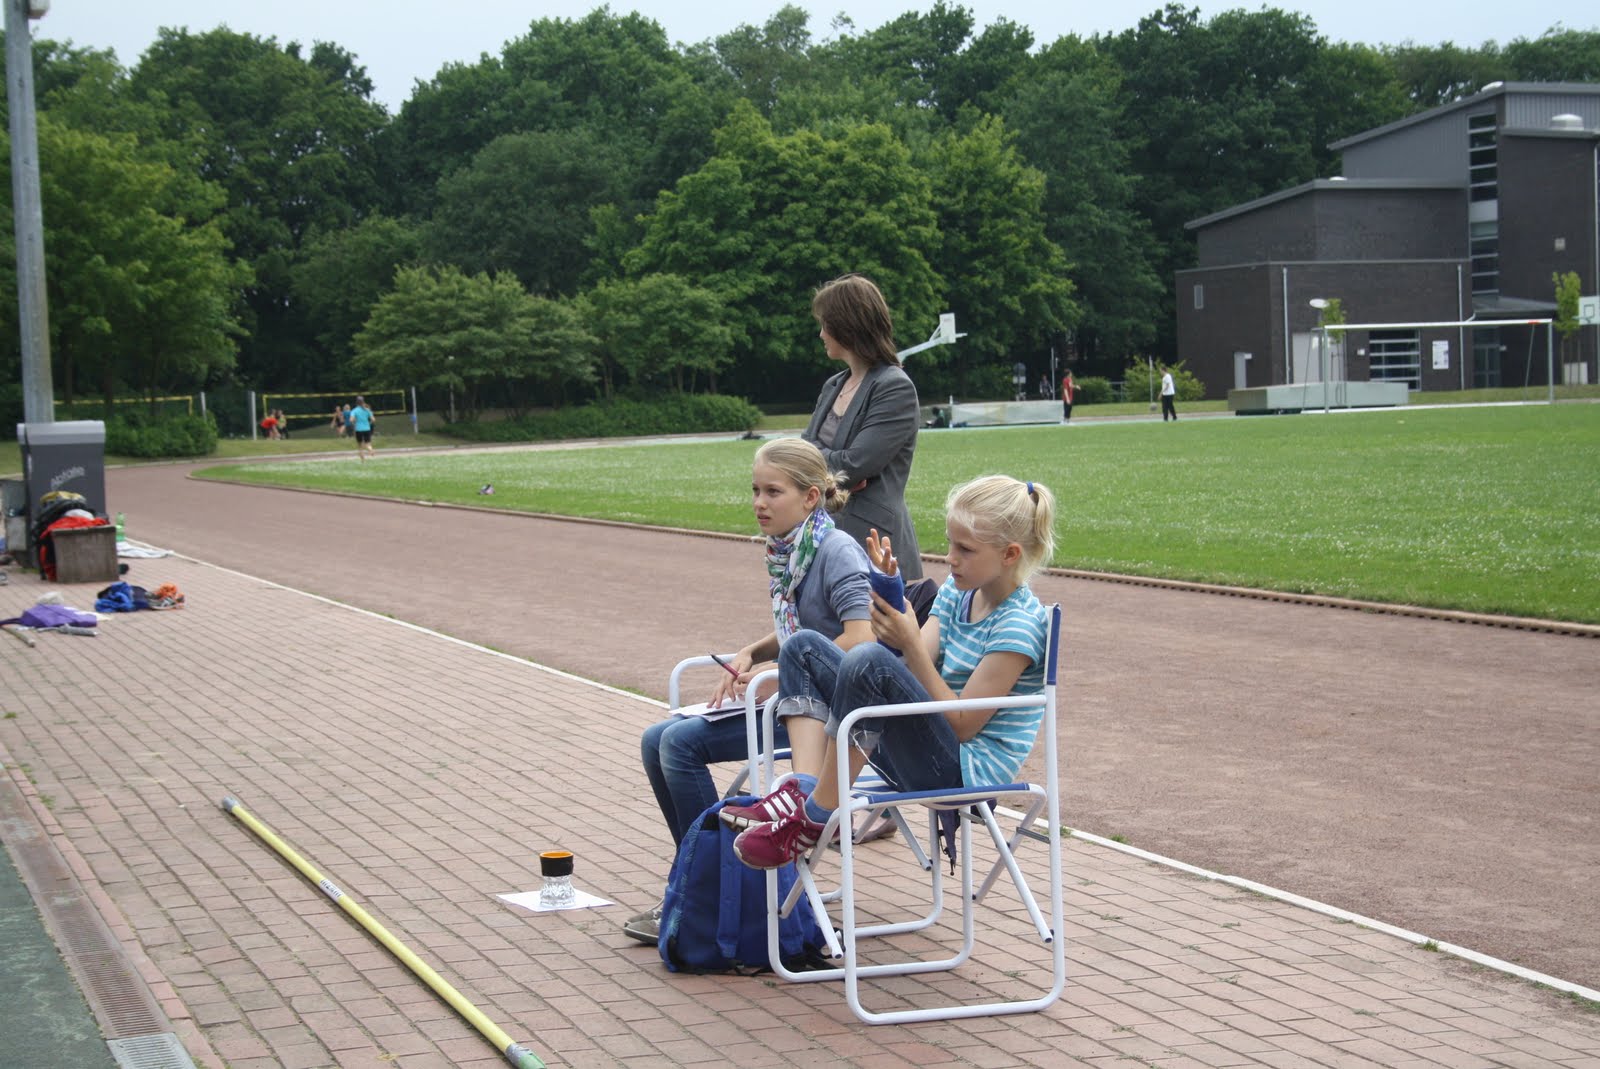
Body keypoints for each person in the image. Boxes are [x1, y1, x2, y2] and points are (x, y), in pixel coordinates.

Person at [725, 475, 1055, 871]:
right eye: (950, 543)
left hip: (961, 775)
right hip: (917, 750)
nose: (950, 558)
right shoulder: (957, 592)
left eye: (965, 549)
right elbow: (909, 669)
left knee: (868, 659)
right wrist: (889, 600)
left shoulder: (1018, 625)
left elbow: (963, 725)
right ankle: (807, 794)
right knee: (803, 646)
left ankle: (814, 818)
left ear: (1010, 554)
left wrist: (908, 642)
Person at [626, 438, 875, 945]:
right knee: (657, 740)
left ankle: (718, 893)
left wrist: (780, 672)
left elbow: (860, 638)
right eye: (755, 490)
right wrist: (753, 652)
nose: (759, 503)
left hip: (829, 716)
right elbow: (802, 631)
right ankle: (700, 885)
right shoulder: (790, 551)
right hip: (792, 701)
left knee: (678, 746)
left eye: (772, 492)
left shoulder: (836, 550)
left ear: (810, 497)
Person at [801, 274, 924, 582]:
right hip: (824, 535)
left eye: (825, 324)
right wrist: (823, 463)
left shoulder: (893, 387)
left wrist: (816, 459)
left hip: (873, 544)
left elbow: (855, 465)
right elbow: (802, 455)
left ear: (847, 325)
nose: (821, 333)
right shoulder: (833, 385)